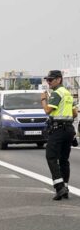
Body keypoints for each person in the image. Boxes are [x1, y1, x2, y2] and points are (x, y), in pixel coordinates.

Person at [41, 70, 77, 200]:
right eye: (47, 80)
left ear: (59, 80)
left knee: (51, 157)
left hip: (58, 130)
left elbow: (47, 110)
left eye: (51, 80)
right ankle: (65, 188)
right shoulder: (68, 94)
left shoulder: (56, 93)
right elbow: (75, 114)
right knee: (63, 160)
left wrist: (44, 99)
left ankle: (59, 187)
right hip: (69, 129)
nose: (48, 82)